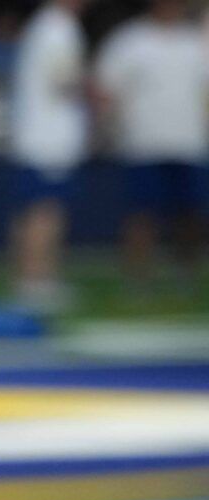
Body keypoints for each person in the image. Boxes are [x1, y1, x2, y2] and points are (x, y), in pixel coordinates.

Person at [93, 0, 209, 290]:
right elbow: (105, 86)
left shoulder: (196, 42)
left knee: (190, 215)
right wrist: (109, 126)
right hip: (143, 143)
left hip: (189, 143)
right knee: (141, 214)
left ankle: (186, 275)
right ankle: (138, 278)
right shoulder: (129, 40)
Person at [9, 0, 92, 311]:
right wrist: (93, 90)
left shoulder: (49, 25)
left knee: (39, 210)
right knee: (45, 212)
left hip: (41, 136)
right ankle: (36, 282)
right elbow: (63, 81)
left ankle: (34, 279)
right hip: (47, 139)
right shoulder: (57, 28)